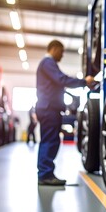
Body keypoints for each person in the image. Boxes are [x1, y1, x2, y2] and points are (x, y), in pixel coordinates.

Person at [36, 39, 95, 186]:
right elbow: (62, 79)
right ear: (54, 48)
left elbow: (58, 84)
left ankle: (46, 174)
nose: (62, 56)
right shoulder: (47, 63)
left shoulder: (47, 64)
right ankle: (45, 175)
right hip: (49, 109)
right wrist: (84, 82)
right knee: (50, 141)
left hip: (49, 108)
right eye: (61, 52)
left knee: (50, 140)